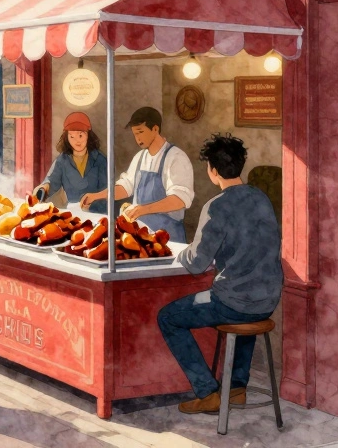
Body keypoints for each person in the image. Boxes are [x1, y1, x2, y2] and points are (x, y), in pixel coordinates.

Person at [157, 134, 282, 415]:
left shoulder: (216, 206)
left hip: (234, 303)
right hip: (267, 300)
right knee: (242, 303)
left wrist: (177, 252)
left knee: (167, 318)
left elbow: (196, 263)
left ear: (213, 170)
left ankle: (207, 392)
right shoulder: (260, 198)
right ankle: (236, 388)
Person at [81, 106, 194, 240]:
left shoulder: (176, 157)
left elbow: (179, 200)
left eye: (140, 132)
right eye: (135, 134)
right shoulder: (140, 157)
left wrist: (143, 209)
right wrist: (97, 196)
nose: (137, 138)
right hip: (141, 235)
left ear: (155, 129)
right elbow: (126, 187)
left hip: (168, 237)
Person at [37, 112, 109, 212]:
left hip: (98, 213)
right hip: (73, 212)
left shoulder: (100, 160)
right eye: (72, 137)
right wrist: (43, 189)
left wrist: (93, 201)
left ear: (88, 135)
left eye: (80, 136)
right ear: (66, 137)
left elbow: (107, 191)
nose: (77, 141)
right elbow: (52, 181)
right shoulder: (62, 160)